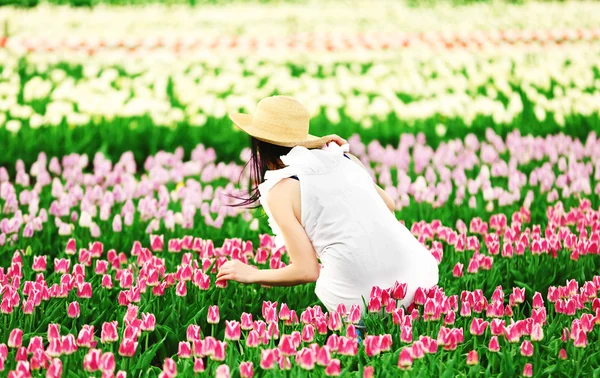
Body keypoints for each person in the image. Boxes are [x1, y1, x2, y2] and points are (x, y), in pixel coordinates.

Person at [217, 95, 439, 337]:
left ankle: (358, 339)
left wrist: (253, 274)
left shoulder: (278, 191)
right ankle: (405, 323)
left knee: (333, 301)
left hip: (359, 301)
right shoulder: (344, 159)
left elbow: (307, 271)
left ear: (259, 144)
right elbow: (390, 204)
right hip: (420, 281)